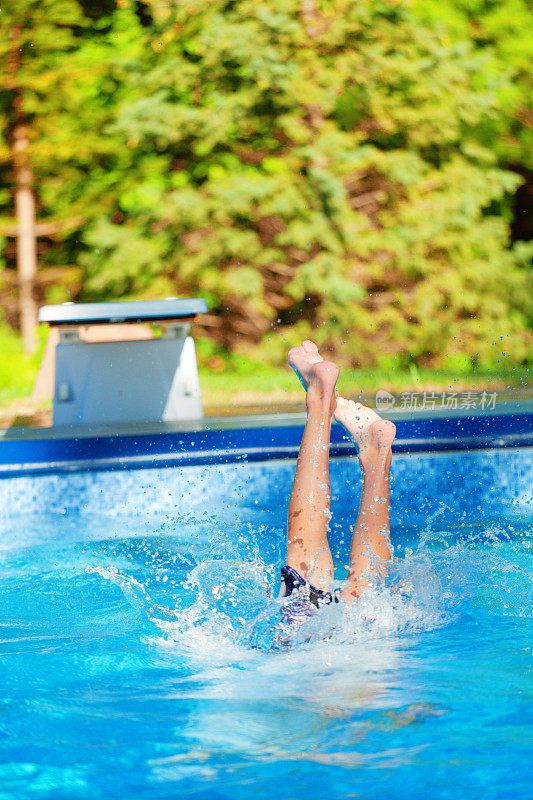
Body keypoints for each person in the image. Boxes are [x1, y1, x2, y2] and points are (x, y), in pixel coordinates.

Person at [280, 340, 396, 612]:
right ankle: (372, 453)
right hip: (373, 645)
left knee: (314, 574)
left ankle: (321, 403)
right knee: (363, 592)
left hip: (352, 648)